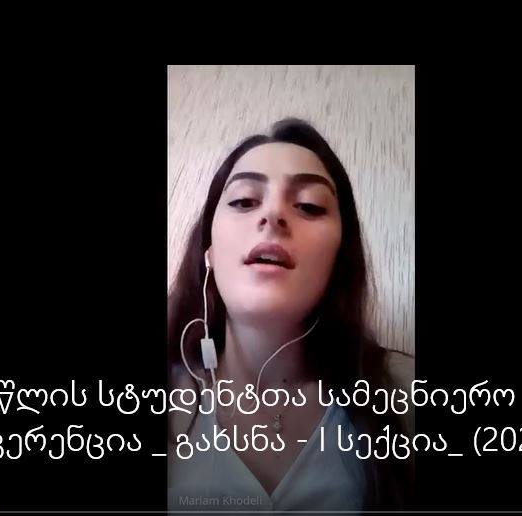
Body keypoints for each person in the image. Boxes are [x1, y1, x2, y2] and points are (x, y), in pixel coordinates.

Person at [167, 118, 415, 511]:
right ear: (208, 250)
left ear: (340, 256)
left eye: (309, 206)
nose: (273, 215)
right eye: (244, 201)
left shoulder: (406, 392)